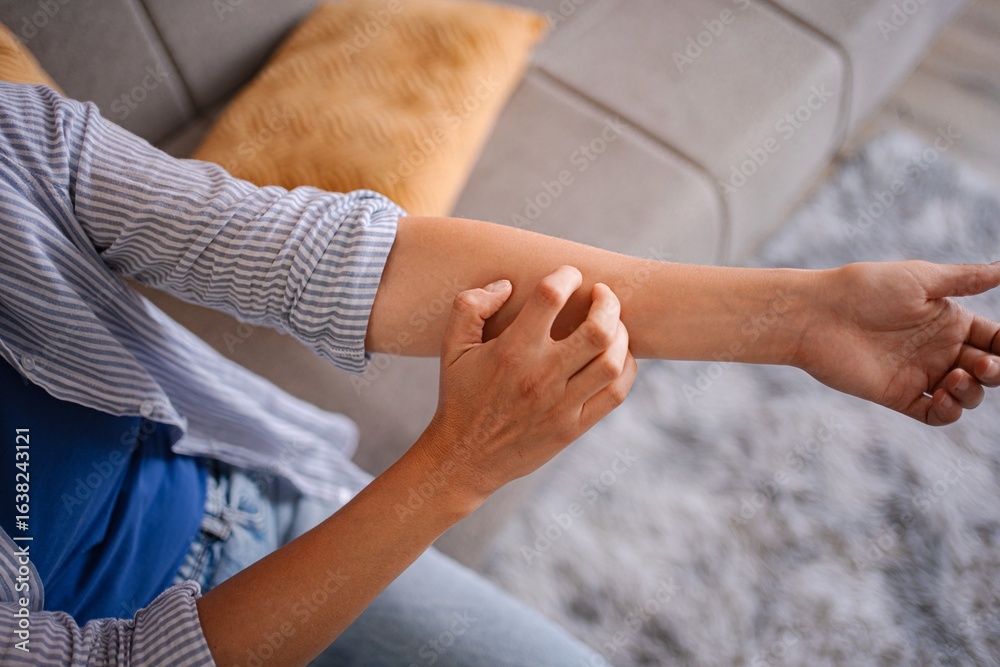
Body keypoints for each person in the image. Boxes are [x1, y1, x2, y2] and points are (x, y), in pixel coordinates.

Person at [1, 80, 999, 667]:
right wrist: (455, 469)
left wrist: (799, 317)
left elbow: (316, 255)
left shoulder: (11, 136)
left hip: (255, 515)